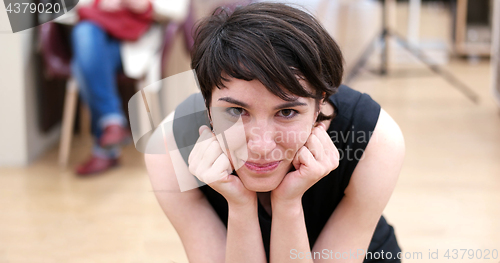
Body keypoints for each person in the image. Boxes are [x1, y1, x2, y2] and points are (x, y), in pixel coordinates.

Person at [145, 2, 405, 263]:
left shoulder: (375, 139)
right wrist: (240, 205)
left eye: (287, 112)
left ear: (319, 106)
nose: (261, 146)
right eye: (236, 111)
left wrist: (289, 202)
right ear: (207, 105)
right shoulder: (170, 149)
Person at [70, 0, 189, 175]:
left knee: (83, 65)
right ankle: (112, 125)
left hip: (134, 44)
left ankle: (107, 142)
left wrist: (144, 4)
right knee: (84, 35)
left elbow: (179, 10)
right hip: (96, 35)